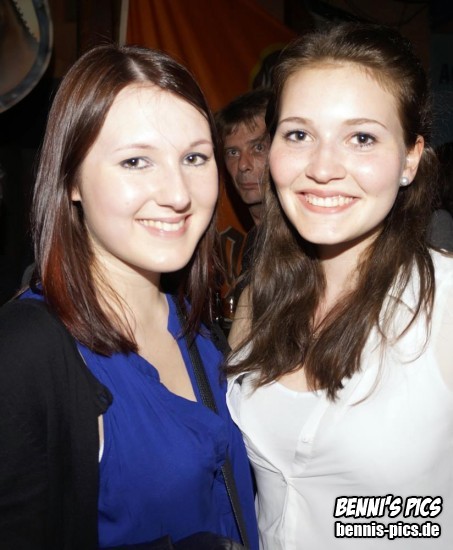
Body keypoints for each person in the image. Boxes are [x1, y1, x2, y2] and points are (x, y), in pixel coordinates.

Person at [0, 44, 258, 550]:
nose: (178, 194)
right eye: (136, 161)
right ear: (71, 179)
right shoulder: (25, 352)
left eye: (194, 158)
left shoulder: (193, 325)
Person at [226, 22, 453, 549]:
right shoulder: (260, 297)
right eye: (299, 135)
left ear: (410, 157)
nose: (323, 168)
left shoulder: (443, 304)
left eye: (362, 138)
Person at [215, 88, 271, 299]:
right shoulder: (255, 242)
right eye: (233, 152)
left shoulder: (306, 244)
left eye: (258, 148)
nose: (243, 165)